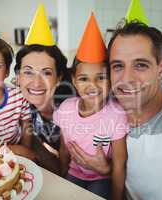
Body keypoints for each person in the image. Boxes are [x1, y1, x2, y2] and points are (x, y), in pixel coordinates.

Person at [69, 21, 162, 200]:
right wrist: (107, 170)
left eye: (140, 65)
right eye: (118, 66)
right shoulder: (110, 110)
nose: (127, 78)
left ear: (161, 68)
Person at [53, 13, 129, 200]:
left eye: (101, 78)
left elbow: (119, 164)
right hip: (74, 174)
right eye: (84, 78)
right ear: (74, 80)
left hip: (101, 178)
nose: (92, 85)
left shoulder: (116, 113)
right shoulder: (66, 109)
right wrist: (63, 178)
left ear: (111, 79)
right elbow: (64, 150)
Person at [14, 44, 71, 174]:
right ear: (18, 78)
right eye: (28, 72)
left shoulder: (73, 108)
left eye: (46, 73)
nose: (37, 83)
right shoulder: (19, 107)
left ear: (58, 78)